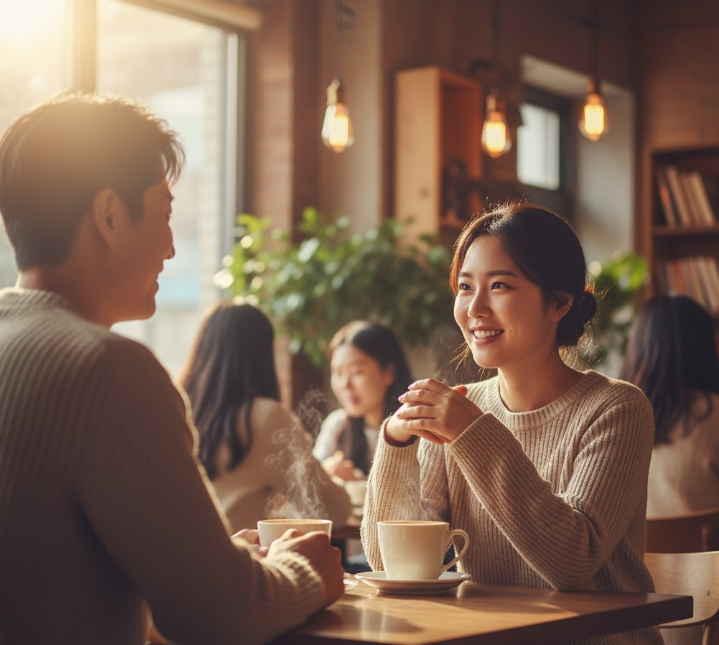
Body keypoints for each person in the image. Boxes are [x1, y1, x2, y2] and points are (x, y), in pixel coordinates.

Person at [0, 91, 343, 645]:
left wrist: (221, 561)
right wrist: (305, 573)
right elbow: (221, 616)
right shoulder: (108, 371)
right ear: (109, 214)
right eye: (164, 216)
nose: (170, 249)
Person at [361, 202, 661, 645]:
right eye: (465, 287)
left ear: (560, 302)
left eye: (499, 285)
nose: (475, 308)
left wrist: (472, 433)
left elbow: (572, 562)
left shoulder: (616, 408)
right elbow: (393, 565)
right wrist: (396, 442)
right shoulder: (463, 408)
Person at [178, 299, 352, 533]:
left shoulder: (179, 408)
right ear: (261, 353)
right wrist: (333, 477)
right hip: (237, 561)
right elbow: (334, 511)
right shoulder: (265, 416)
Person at [619, 294, 719, 517]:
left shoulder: (618, 419)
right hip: (707, 551)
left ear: (637, 349)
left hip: (639, 553)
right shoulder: (713, 413)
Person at [313, 320, 413, 481]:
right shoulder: (338, 425)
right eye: (338, 373)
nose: (345, 385)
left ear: (389, 372)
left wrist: (358, 482)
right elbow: (311, 478)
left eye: (356, 372)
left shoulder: (416, 428)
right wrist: (326, 472)